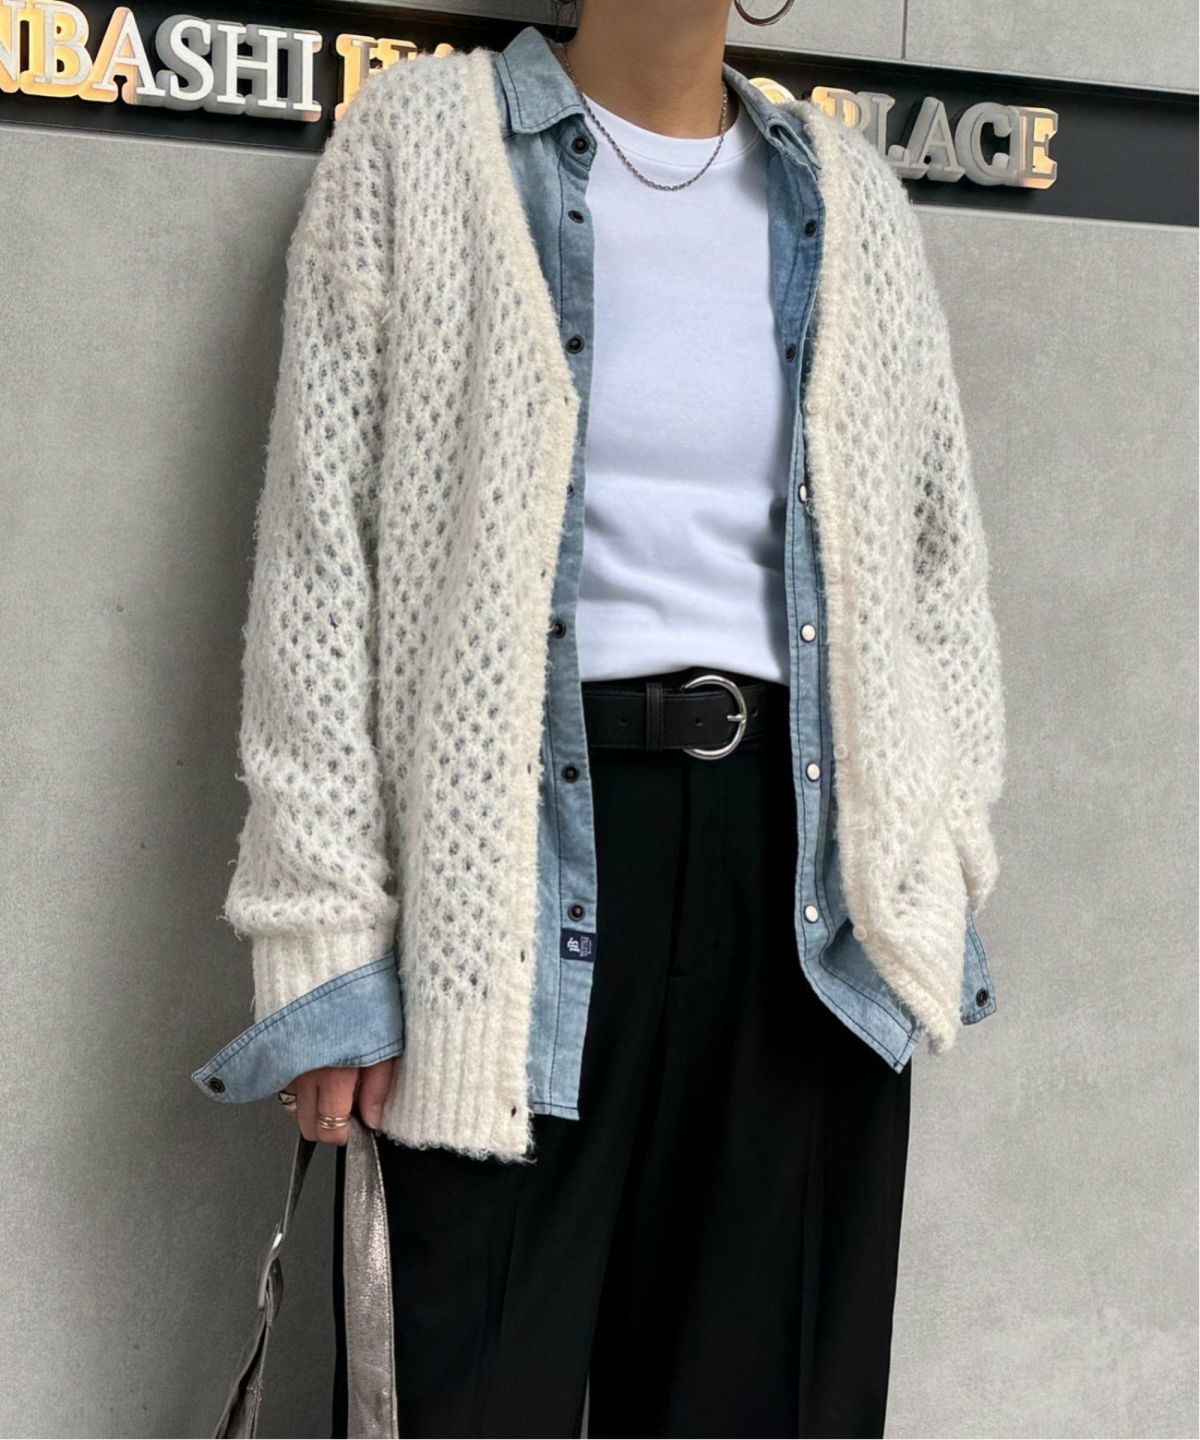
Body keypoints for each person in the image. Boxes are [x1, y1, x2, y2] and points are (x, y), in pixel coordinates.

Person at [191, 4, 1007, 1436]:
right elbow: (320, 568)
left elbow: (937, 573)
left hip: (803, 897)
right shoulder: (418, 146)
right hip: (501, 888)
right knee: (467, 1396)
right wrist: (328, 948)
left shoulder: (852, 201)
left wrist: (936, 863)